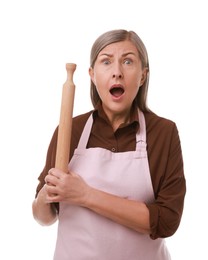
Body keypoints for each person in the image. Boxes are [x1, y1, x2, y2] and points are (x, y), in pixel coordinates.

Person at [32, 29, 186, 260]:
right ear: (92, 75)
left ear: (143, 76)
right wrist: (46, 195)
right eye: (106, 62)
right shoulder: (69, 130)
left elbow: (166, 222)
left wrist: (85, 195)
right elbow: (44, 216)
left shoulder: (163, 133)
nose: (117, 72)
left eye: (128, 61)